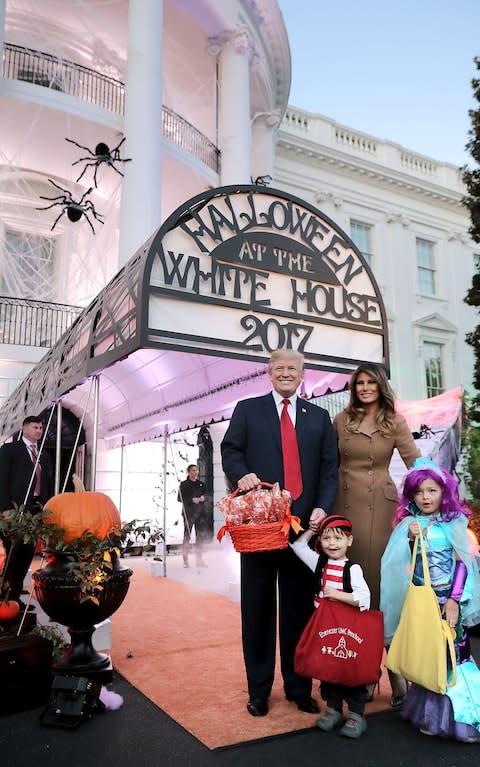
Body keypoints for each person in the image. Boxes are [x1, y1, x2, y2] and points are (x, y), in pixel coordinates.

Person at [221, 350, 338, 717]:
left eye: (293, 368)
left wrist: (321, 505)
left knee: (298, 611)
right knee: (256, 610)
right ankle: (258, 690)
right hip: (259, 526)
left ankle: (299, 686)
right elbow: (230, 450)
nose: (286, 373)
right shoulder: (247, 409)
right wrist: (240, 474)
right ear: (269, 374)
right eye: (280, 368)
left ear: (303, 375)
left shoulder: (319, 417)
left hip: (303, 529)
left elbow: (329, 468)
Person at [332, 362, 420, 705]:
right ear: (353, 387)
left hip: (381, 510)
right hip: (344, 506)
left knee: (381, 591)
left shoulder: (393, 421)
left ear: (381, 385)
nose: (365, 387)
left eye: (371, 382)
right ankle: (364, 672)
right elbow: (324, 459)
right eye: (359, 382)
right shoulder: (341, 420)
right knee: (351, 591)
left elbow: (416, 460)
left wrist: (437, 495)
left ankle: (394, 674)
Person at [381, 458, 480, 742]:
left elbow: (463, 564)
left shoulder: (455, 523)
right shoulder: (409, 523)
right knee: (429, 654)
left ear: (443, 492)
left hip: (449, 600)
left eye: (432, 490)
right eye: (419, 492)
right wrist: (410, 539)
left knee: (454, 654)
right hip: (423, 602)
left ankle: (464, 716)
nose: (425, 497)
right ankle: (432, 715)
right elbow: (398, 565)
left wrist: (453, 600)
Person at [290, 515, 371, 738]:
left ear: (349, 541)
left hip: (347, 630)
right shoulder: (320, 563)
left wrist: (337, 595)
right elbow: (297, 546)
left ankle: (356, 715)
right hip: (325, 630)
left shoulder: (352, 569)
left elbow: (365, 599)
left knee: (349, 670)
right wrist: (311, 529)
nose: (332, 544)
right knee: (329, 669)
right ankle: (333, 709)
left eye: (338, 538)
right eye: (326, 538)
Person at [0, 415, 54, 608]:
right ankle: (3, 596)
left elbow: (46, 485)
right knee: (12, 554)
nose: (39, 431)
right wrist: (5, 508)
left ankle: (15, 597)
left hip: (34, 512)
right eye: (35, 427)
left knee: (26, 554)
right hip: (13, 511)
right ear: (24, 429)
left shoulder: (44, 455)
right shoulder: (9, 450)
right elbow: (2, 479)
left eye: (40, 428)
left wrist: (45, 511)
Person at [177, 464, 208, 568]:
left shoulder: (201, 484)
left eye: (196, 470)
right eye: (193, 470)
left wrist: (204, 497)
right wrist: (191, 499)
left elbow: (207, 495)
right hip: (189, 513)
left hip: (200, 514)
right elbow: (179, 498)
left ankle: (199, 559)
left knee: (200, 536)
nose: (195, 472)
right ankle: (185, 560)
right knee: (187, 536)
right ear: (188, 472)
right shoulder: (184, 484)